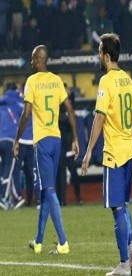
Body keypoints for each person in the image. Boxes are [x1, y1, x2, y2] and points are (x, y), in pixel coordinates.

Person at [81, 33, 132, 276]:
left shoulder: (106, 81)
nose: (98, 56)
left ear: (106, 55)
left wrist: (87, 153)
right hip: (127, 151)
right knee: (123, 205)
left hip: (114, 153)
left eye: (99, 52)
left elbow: (100, 117)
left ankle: (124, 264)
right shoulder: (128, 79)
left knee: (116, 209)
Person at [13, 45, 79, 254]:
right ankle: (39, 242)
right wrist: (76, 138)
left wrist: (16, 139)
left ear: (40, 60)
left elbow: (25, 115)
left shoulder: (32, 82)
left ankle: (63, 242)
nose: (31, 63)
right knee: (44, 191)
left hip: (41, 141)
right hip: (57, 140)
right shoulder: (57, 80)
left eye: (33, 59)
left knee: (49, 191)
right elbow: (69, 109)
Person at [56, 83, 82, 206]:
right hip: (60, 145)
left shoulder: (70, 106)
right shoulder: (58, 107)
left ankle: (78, 197)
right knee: (60, 173)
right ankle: (62, 200)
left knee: (73, 173)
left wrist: (73, 141)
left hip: (68, 144)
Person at [0, 83, 24, 210]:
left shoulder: (2, 103)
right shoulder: (16, 101)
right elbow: (25, 112)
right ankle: (3, 197)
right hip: (10, 139)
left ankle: (11, 198)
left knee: (3, 168)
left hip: (0, 138)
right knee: (8, 170)